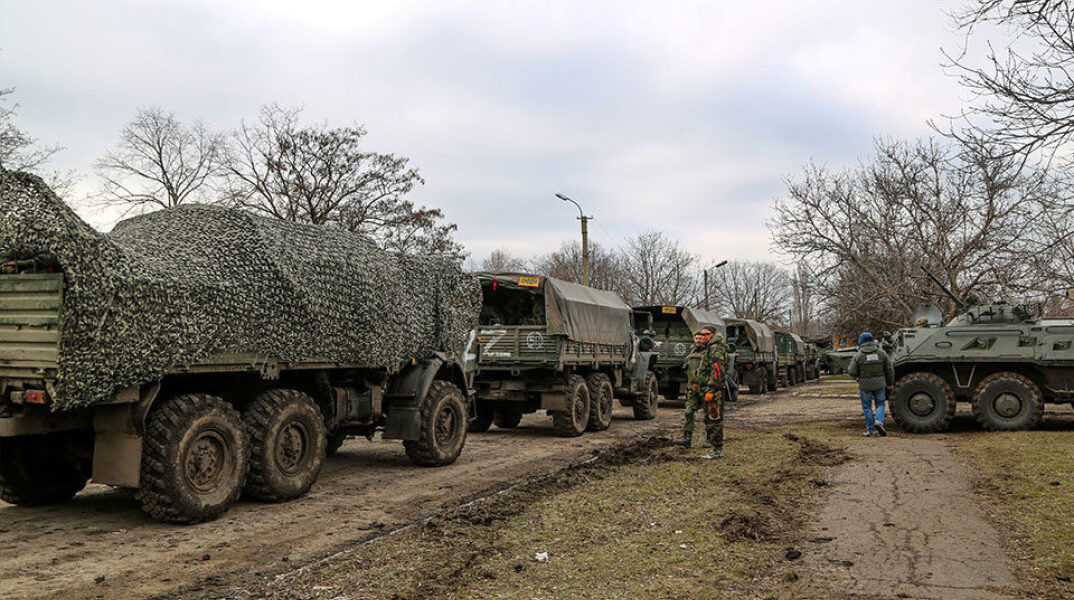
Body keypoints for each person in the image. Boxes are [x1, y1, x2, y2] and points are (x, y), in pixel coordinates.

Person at [673, 325, 730, 458]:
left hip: (713, 391)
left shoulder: (716, 349)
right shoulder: (710, 348)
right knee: (709, 419)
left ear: (711, 335)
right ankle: (715, 448)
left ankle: (716, 450)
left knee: (713, 419)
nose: (702, 337)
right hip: (702, 388)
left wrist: (711, 389)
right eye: (700, 335)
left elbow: (717, 372)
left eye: (705, 335)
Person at [847, 332, 894, 437]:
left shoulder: (858, 355)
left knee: (867, 407)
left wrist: (858, 376)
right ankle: (879, 421)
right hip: (880, 384)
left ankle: (871, 430)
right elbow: (889, 369)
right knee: (880, 404)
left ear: (861, 342)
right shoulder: (881, 353)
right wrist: (890, 383)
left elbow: (851, 371)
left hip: (865, 385)